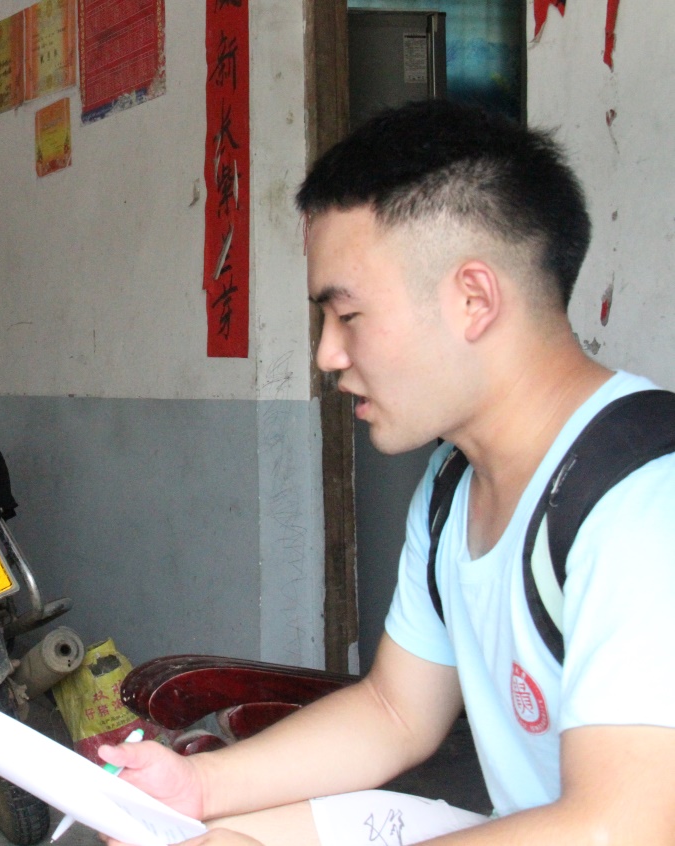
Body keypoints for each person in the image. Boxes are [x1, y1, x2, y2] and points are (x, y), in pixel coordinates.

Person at [101, 100, 675, 845]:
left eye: (347, 315)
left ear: (473, 299)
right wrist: (199, 788)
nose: (327, 355)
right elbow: (395, 711)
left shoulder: (643, 502)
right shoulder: (451, 487)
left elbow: (625, 826)